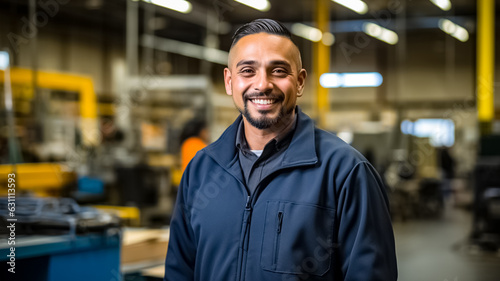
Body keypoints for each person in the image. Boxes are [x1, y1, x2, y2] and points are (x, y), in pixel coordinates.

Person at [164, 19, 397, 281]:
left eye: (278, 71)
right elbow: (179, 271)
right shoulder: (201, 169)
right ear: (229, 81)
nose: (262, 84)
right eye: (248, 71)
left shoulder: (346, 173)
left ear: (299, 82)